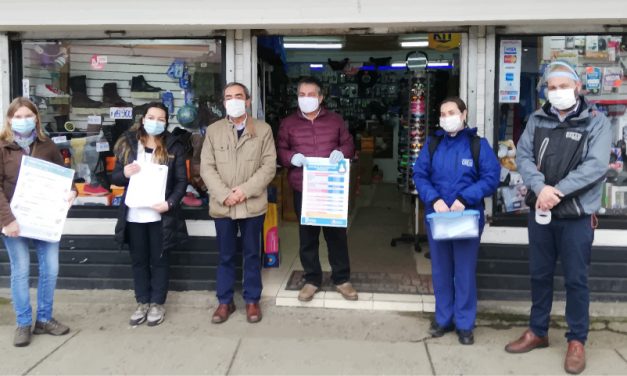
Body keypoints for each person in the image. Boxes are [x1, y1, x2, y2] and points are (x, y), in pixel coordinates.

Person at [505, 61, 612, 375]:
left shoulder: (596, 122)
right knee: (539, 275)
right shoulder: (537, 119)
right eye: (552, 87)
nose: (558, 92)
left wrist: (557, 192)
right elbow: (522, 156)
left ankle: (576, 340)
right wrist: (541, 189)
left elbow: (595, 166)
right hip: (541, 212)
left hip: (576, 216)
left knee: (577, 280)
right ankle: (537, 331)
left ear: (578, 87)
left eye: (564, 86)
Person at [413, 97, 500, 345]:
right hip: (438, 216)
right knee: (441, 270)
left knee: (464, 271)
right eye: (442, 113)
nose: (446, 117)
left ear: (464, 114)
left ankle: (464, 324)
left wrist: (465, 197)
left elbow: (491, 178)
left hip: (466, 218)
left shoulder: (477, 145)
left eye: (451, 112)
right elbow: (419, 174)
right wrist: (434, 198)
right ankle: (443, 319)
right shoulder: (432, 144)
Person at [200, 82, 276, 324]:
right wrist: (225, 194)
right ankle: (225, 301)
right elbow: (206, 167)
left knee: (253, 254)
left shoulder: (263, 130)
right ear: (223, 102)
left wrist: (243, 191)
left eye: (238, 96)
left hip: (252, 205)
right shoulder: (213, 131)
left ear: (248, 101)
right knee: (226, 255)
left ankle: (252, 300)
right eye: (228, 97)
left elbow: (268, 166)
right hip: (223, 206)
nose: (233, 100)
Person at [1, 97, 74, 347]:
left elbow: (65, 177)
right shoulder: (2, 147)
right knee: (20, 270)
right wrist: (8, 220)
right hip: (14, 222)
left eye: (28, 116)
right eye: (18, 116)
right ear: (10, 119)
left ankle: (44, 319)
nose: (23, 120)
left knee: (50, 269)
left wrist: (71, 192)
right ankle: (23, 322)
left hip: (44, 220)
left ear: (36, 118)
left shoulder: (47, 146)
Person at [277, 76, 356, 302]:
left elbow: (349, 143)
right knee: (308, 237)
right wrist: (292, 157)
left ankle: (342, 279)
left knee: (336, 236)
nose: (306, 99)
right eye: (302, 95)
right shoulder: (288, 123)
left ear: (321, 97)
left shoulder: (335, 121)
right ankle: (312, 279)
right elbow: (280, 149)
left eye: (311, 95)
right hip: (305, 188)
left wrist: (342, 151)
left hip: (332, 188)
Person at [112, 102, 188, 327]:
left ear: (166, 122)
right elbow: (114, 177)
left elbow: (182, 181)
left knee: (160, 260)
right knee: (139, 260)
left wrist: (170, 202)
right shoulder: (128, 142)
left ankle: (157, 303)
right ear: (143, 118)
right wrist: (123, 173)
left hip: (160, 216)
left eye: (161, 119)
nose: (155, 122)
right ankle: (142, 302)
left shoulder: (174, 145)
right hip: (134, 214)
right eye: (151, 117)